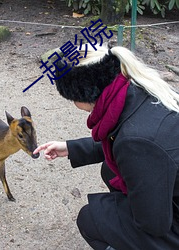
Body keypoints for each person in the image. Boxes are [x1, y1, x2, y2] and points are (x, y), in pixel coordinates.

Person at [33, 43, 179, 250]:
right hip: (169, 185)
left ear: (82, 92)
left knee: (91, 218)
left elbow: (154, 224)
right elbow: (124, 139)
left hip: (170, 222)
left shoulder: (136, 143)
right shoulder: (138, 88)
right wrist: (71, 148)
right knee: (110, 169)